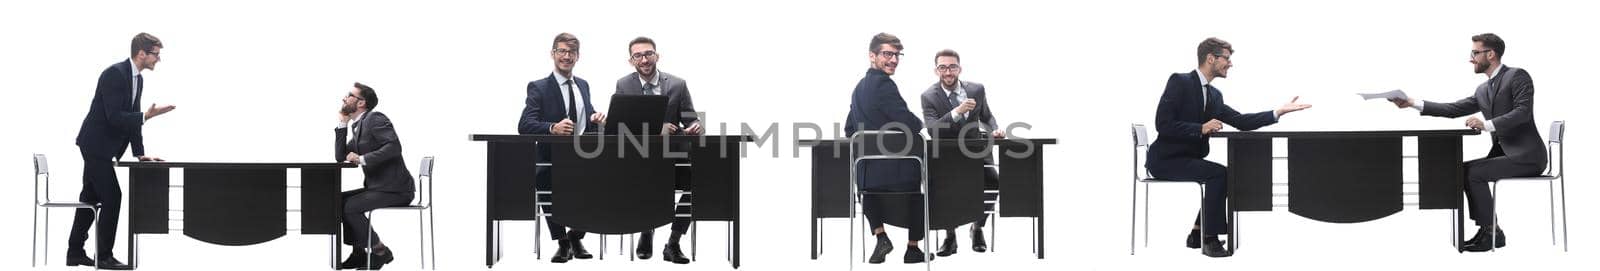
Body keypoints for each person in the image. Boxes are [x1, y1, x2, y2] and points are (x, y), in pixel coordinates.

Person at [1145, 37, 1311, 257]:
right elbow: (1163, 124)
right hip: (1165, 160)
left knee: (1222, 174)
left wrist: (1277, 112)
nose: (1230, 64)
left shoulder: (1214, 95)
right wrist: (1200, 128)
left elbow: (1242, 122)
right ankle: (1209, 239)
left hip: (1187, 159)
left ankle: (1197, 233)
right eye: (1227, 58)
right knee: (1219, 174)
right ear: (1211, 58)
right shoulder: (1180, 81)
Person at [1385, 33, 1546, 252]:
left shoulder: (1517, 76)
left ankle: (1492, 233)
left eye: (1475, 52)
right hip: (1508, 155)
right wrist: (1411, 102)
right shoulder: (1483, 90)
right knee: (1461, 171)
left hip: (1528, 157)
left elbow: (1523, 112)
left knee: (1473, 173)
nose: (1471, 58)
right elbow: (1452, 109)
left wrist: (1487, 124)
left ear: (1491, 54)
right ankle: (1489, 230)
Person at [69, 32, 176, 270]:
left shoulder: (137, 78)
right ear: (141, 54)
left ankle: (74, 252)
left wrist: (140, 153)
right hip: (96, 145)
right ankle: (104, 257)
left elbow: (133, 120)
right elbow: (115, 117)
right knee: (113, 197)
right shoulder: (115, 75)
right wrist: (146, 116)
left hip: (104, 148)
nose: (158, 59)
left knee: (90, 197)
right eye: (155, 55)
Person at [517, 32, 607, 263]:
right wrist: (552, 128)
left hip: (584, 156)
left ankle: (576, 235)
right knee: (544, 182)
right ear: (553, 54)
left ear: (578, 56)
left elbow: (586, 118)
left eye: (571, 52)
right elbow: (524, 124)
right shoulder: (539, 87)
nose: (566, 56)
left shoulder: (583, 85)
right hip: (552, 160)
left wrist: (597, 119)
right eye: (562, 51)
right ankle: (562, 242)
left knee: (605, 183)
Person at [845, 32, 930, 264]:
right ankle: (913, 248)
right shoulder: (884, 85)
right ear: (872, 56)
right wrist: (920, 123)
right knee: (922, 185)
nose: (893, 59)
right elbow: (906, 122)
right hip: (899, 175)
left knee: (866, 189)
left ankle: (881, 235)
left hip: (868, 178)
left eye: (896, 55)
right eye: (887, 54)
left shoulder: (858, 89)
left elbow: (849, 129)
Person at [615, 36, 700, 264]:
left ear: (657, 55)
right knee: (643, 182)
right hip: (639, 160)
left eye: (648, 54)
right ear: (631, 60)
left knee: (698, 184)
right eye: (638, 55)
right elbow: (620, 126)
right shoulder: (624, 85)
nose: (644, 59)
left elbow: (690, 119)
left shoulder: (677, 84)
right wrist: (657, 128)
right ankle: (646, 230)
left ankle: (673, 242)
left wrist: (694, 127)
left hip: (672, 158)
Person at [918, 49, 1003, 257]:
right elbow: (932, 129)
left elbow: (987, 116)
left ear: (959, 68)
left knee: (993, 182)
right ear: (936, 70)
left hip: (975, 149)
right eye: (943, 67)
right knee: (944, 187)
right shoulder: (928, 96)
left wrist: (994, 128)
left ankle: (977, 228)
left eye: (952, 66)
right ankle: (950, 236)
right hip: (947, 153)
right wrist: (958, 112)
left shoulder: (976, 89)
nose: (948, 72)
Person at [334, 82, 417, 270]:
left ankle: (380, 251)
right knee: (337, 201)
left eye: (350, 95)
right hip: (379, 187)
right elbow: (340, 156)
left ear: (361, 102)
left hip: (397, 190)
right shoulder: (359, 126)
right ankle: (359, 253)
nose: (344, 98)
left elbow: (394, 147)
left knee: (351, 206)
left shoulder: (375, 119)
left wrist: (363, 158)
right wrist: (342, 123)